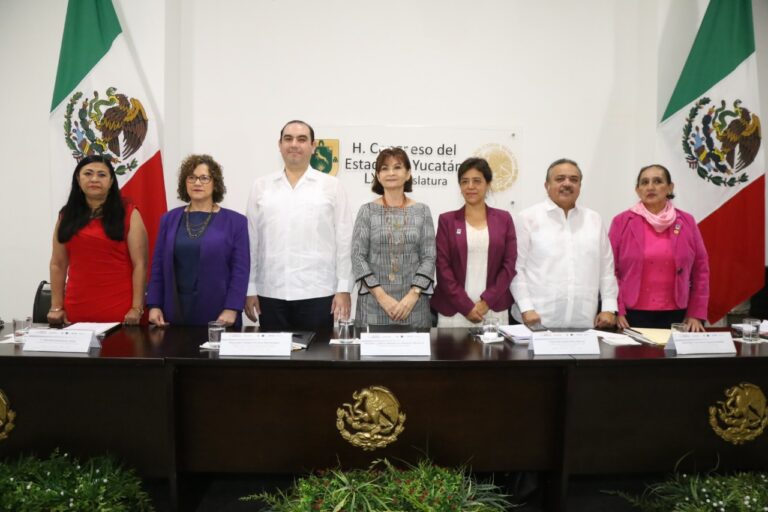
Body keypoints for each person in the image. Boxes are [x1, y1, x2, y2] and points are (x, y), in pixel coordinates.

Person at [245, 120, 352, 332]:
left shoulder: (331, 186)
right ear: (279, 144)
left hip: (318, 293)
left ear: (313, 146)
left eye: (302, 139)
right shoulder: (261, 186)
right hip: (270, 293)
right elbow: (251, 239)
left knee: (316, 363)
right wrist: (250, 288)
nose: (294, 144)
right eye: (288, 139)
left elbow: (344, 239)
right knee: (273, 363)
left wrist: (343, 289)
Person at [511, 158, 617, 328]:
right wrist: (526, 308)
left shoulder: (594, 220)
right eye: (560, 179)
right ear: (546, 185)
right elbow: (517, 269)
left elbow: (606, 269)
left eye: (574, 180)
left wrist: (609, 308)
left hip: (584, 322)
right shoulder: (527, 218)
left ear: (580, 186)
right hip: (535, 322)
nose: (567, 183)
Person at [147, 154, 249, 327]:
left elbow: (240, 270)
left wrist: (232, 308)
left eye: (204, 178)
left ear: (215, 183)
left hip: (219, 312)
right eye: (191, 178)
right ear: (184, 183)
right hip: (173, 310)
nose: (197, 183)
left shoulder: (236, 222)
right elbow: (157, 266)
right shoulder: (169, 219)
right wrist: (154, 304)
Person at [48, 155, 148, 325]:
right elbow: (58, 264)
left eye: (102, 175)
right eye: (88, 173)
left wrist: (136, 308)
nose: (94, 179)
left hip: (121, 311)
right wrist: (56, 307)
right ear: (78, 180)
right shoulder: (66, 216)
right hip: (76, 309)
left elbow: (140, 264)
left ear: (111, 182)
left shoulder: (129, 214)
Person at [609, 164, 709, 331]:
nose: (650, 187)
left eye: (657, 181)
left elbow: (701, 270)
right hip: (630, 314)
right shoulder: (622, 221)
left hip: (678, 314)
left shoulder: (687, 221)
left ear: (670, 187)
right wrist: (617, 308)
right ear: (637, 190)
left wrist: (696, 313)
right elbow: (611, 270)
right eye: (644, 182)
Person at [351, 147, 436, 330]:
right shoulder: (366, 211)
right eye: (384, 168)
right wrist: (382, 297)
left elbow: (429, 257)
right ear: (378, 176)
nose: (390, 173)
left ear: (408, 174)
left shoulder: (422, 211)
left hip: (414, 308)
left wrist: (413, 295)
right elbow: (358, 257)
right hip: (373, 309)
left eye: (397, 167)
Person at [431, 157, 517, 326]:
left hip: (492, 308)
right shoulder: (447, 220)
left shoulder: (504, 219)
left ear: (488, 184)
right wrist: (466, 306)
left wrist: (486, 302)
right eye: (464, 181)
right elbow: (442, 268)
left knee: (494, 353)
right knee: (450, 353)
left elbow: (509, 265)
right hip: (454, 310)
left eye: (477, 181)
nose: (470, 186)